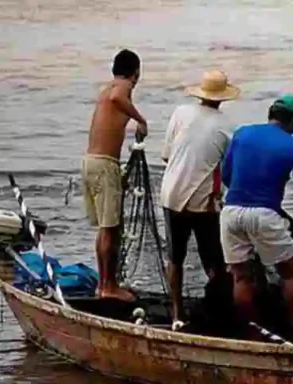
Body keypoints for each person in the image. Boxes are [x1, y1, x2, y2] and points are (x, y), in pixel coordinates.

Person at [219, 94, 293, 343]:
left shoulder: (242, 133)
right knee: (291, 274)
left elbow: (226, 174)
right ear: (291, 121)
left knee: (241, 276)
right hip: (265, 215)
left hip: (231, 210)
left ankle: (252, 336)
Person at [160, 69, 240, 327]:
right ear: (223, 97)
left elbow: (166, 156)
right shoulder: (228, 127)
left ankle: (176, 314)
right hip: (203, 202)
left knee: (175, 257)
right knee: (214, 261)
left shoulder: (180, 113)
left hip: (170, 194)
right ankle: (218, 313)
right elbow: (229, 171)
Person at [81, 49, 148, 302]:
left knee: (106, 229)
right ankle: (109, 287)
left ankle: (104, 285)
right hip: (103, 165)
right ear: (136, 73)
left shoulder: (105, 89)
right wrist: (140, 120)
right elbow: (119, 97)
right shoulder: (122, 87)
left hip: (91, 162)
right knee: (111, 229)